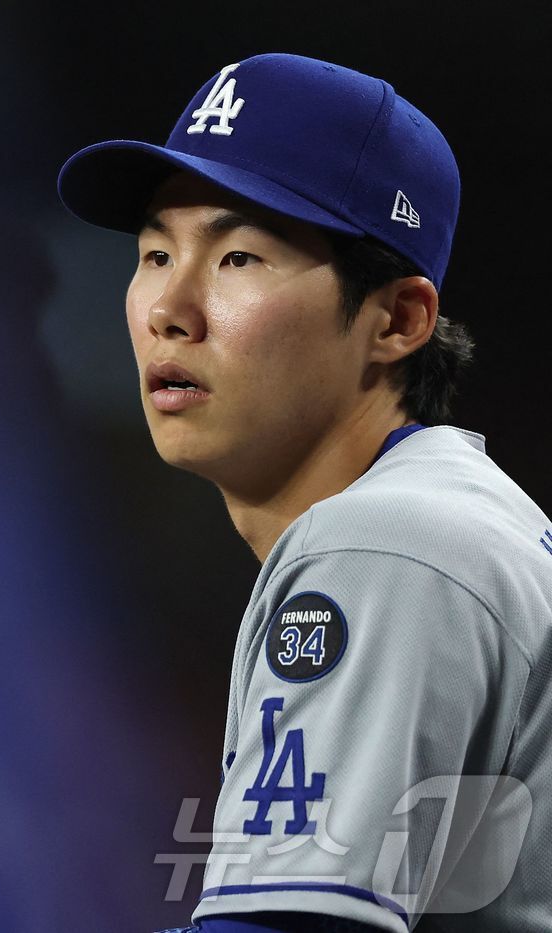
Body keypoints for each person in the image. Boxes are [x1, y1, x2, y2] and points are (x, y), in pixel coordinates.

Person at [56, 53, 552, 932]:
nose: (169, 307)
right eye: (156, 252)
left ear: (398, 319)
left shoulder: (387, 543)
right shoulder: (452, 519)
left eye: (238, 256)